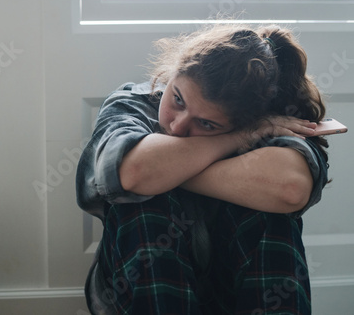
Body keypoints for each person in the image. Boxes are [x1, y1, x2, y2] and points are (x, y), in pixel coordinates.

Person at [76, 24, 329, 315]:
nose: (177, 126)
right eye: (178, 99)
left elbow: (289, 188)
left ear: (248, 120)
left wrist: (165, 171)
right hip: (144, 290)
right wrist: (235, 139)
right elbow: (133, 173)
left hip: (234, 292)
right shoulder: (133, 103)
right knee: (147, 201)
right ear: (171, 75)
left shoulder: (272, 122)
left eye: (207, 124)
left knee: (270, 213)